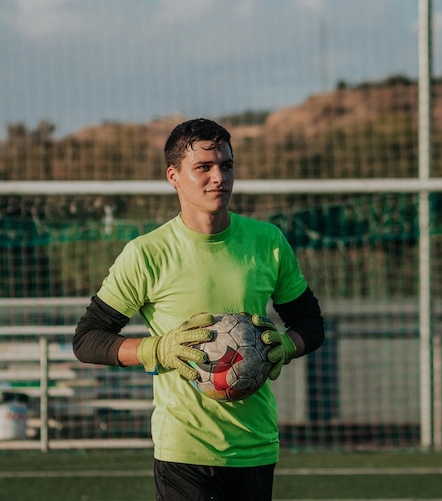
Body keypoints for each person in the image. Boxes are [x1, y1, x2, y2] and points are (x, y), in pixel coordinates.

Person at [73, 117, 325, 500]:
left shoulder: (267, 242)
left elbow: (310, 323)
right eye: (203, 168)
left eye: (226, 165)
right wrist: (157, 349)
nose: (218, 177)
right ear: (173, 176)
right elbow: (88, 339)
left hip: (256, 446)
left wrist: (287, 346)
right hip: (184, 452)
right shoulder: (147, 254)